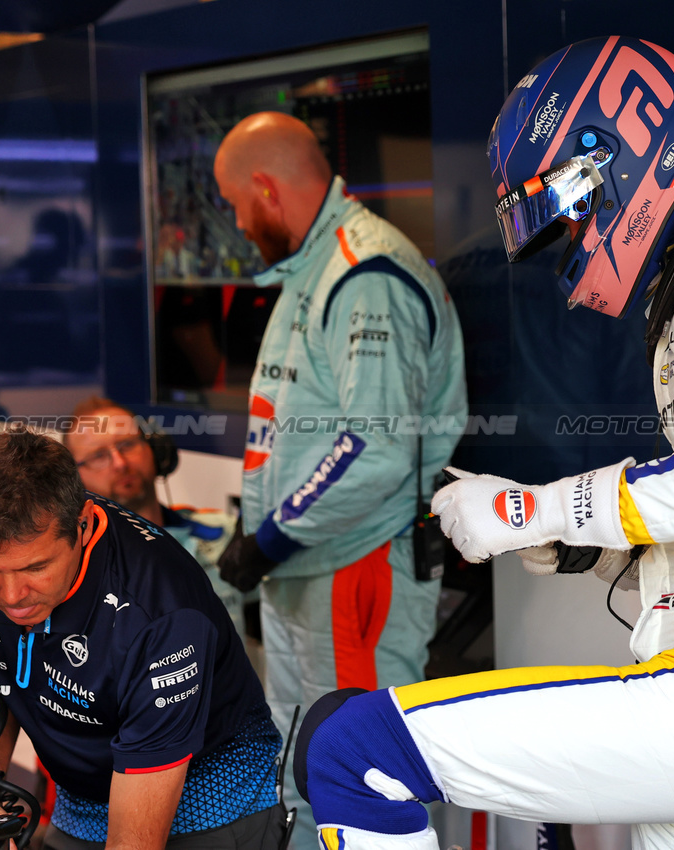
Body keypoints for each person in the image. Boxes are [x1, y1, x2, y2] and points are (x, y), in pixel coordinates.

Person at [290, 36, 674, 850]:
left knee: (352, 748)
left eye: (572, 207)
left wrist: (529, 508)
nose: (575, 234)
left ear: (618, 151)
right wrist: (585, 552)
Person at [211, 112, 468, 850]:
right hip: (307, 568)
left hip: (356, 567)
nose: (235, 220)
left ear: (264, 187)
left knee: (364, 777)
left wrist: (268, 536)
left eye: (235, 202)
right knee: (307, 763)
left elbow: (376, 447)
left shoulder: (366, 275)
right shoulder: (313, 270)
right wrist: (257, 536)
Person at [0, 430, 288, 850]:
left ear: (82, 524)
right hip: (82, 796)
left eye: (35, 567)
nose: (10, 596)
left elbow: (134, 843)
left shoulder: (161, 613)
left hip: (209, 804)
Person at [63, 397, 245, 635]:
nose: (119, 463)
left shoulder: (222, 533)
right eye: (98, 456)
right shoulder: (76, 568)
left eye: (127, 445)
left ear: (155, 448)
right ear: (76, 480)